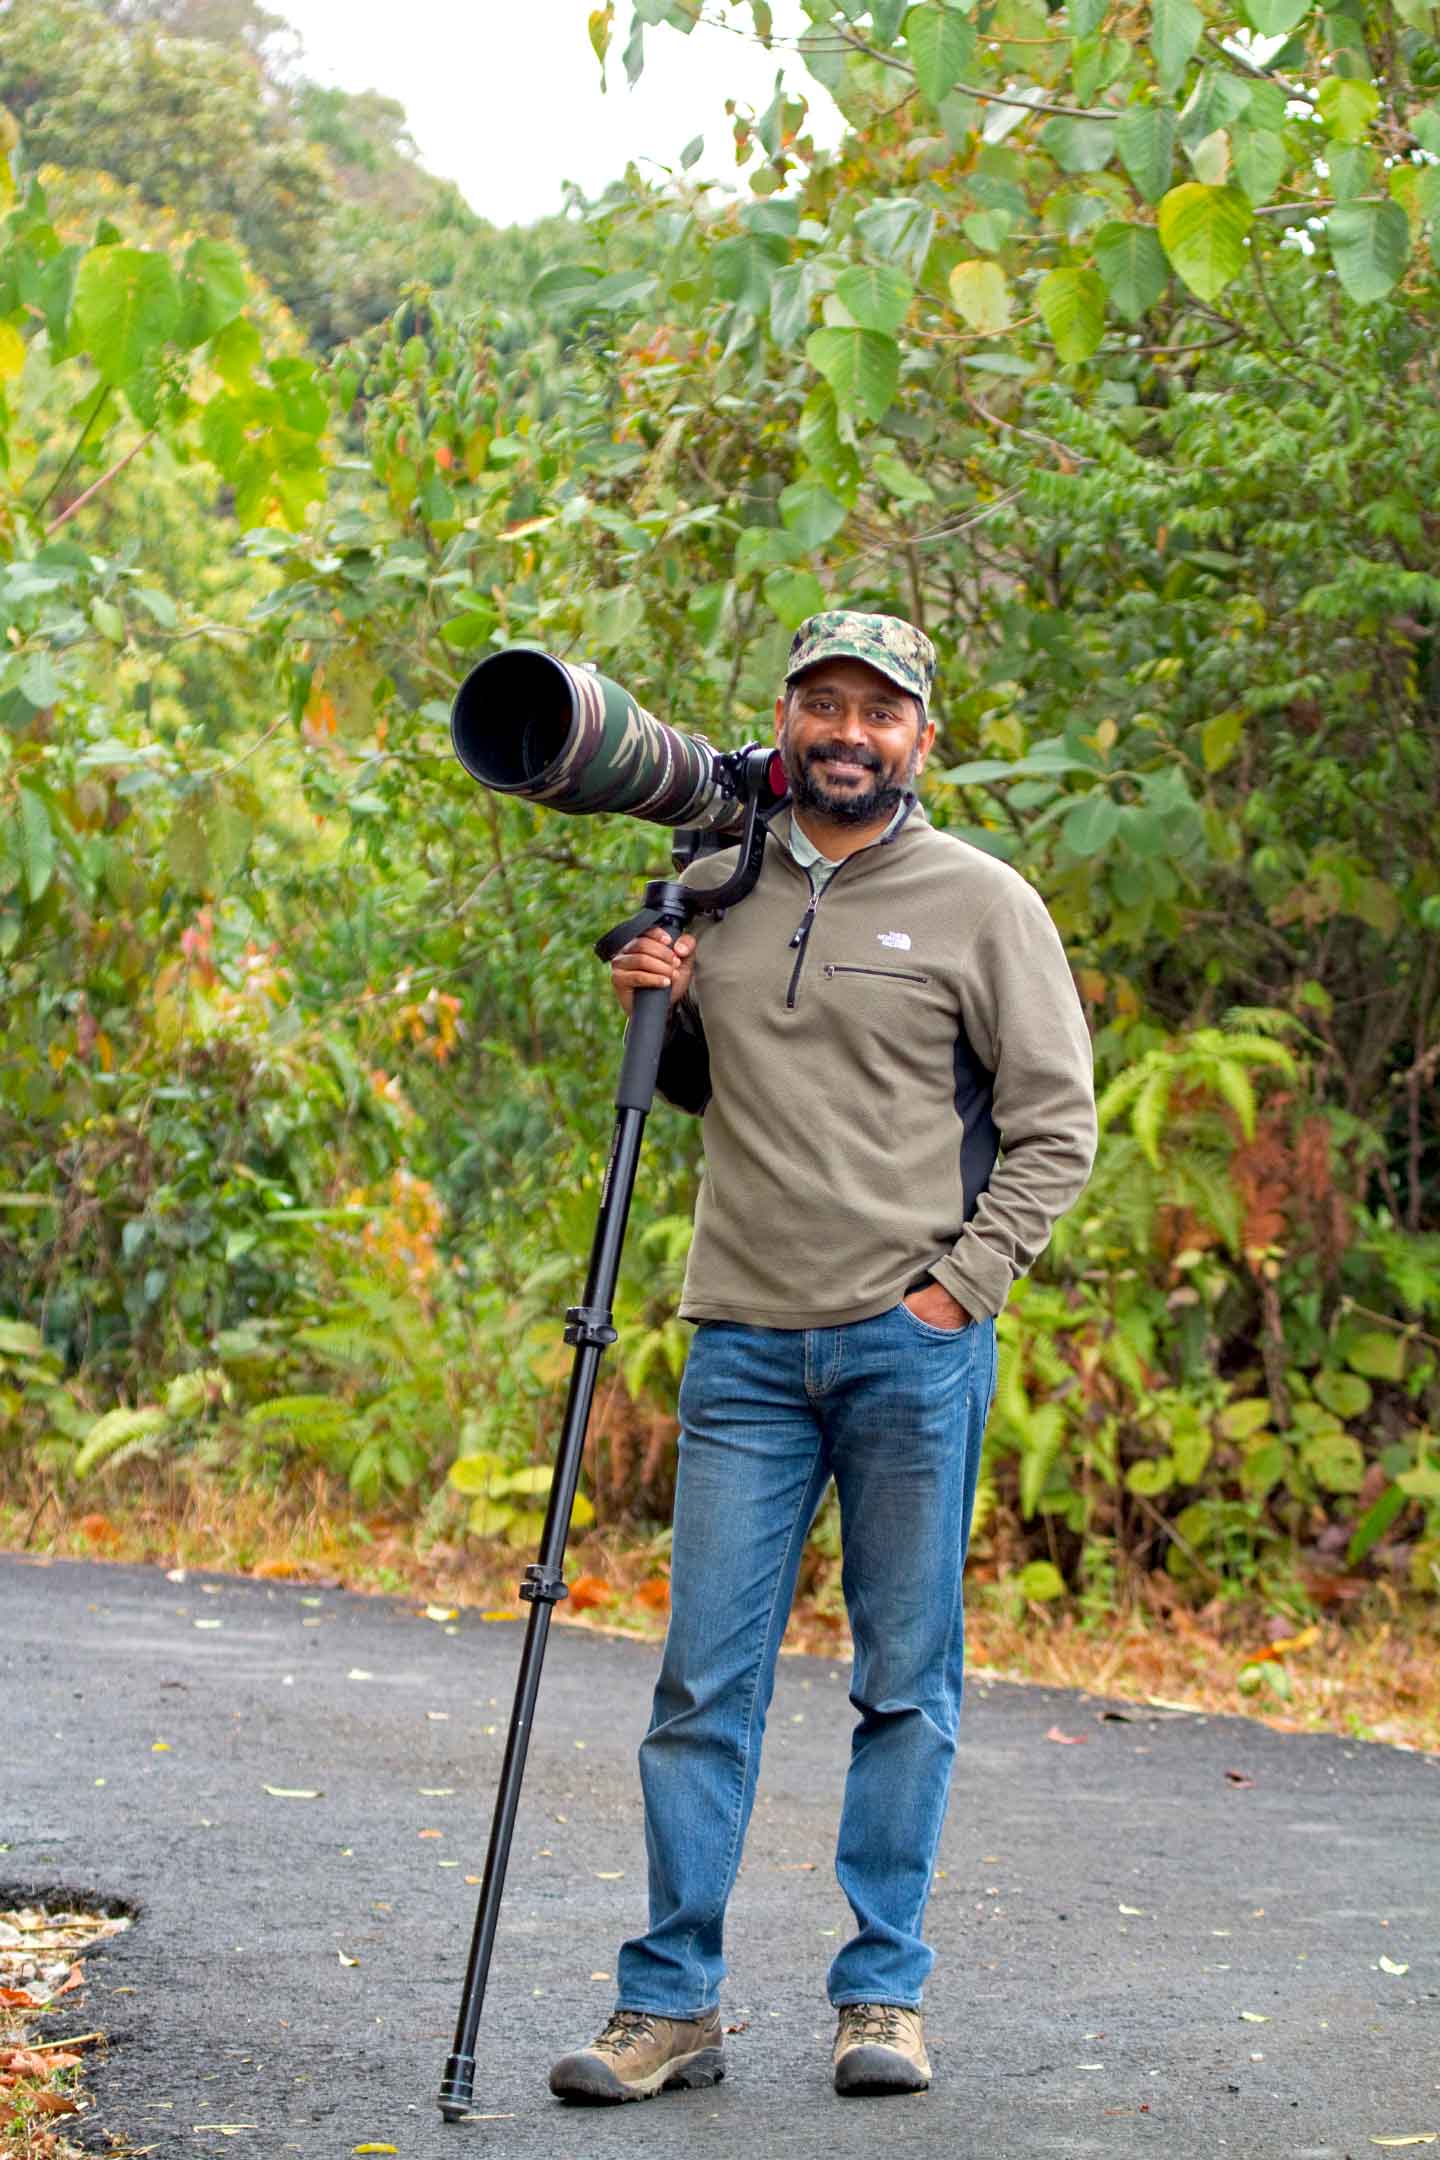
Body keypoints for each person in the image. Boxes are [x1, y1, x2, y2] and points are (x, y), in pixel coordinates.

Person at [549, 611, 1097, 2105]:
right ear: (783, 722)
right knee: (699, 1688)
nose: (847, 730)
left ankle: (881, 1998)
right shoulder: (715, 889)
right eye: (821, 704)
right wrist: (647, 1005)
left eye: (879, 710)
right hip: (738, 1343)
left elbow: (1057, 1126)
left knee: (903, 1682)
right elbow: (712, 1094)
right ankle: (671, 2007)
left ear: (923, 737)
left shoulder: (984, 902)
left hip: (908, 1349)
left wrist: (957, 1293)